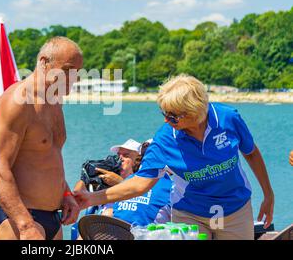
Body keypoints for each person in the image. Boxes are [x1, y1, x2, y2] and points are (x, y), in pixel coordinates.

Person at [75, 74, 275, 240]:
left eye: (172, 116)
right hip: (190, 212)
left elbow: (251, 153)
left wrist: (268, 195)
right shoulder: (165, 138)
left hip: (235, 209)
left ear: (194, 111)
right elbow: (139, 184)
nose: (166, 120)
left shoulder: (228, 118)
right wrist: (92, 199)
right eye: (164, 113)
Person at [0, 36, 83, 240]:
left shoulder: (54, 102)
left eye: (78, 72)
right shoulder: (17, 102)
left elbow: (46, 158)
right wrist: (25, 225)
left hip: (52, 218)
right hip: (18, 219)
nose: (75, 77)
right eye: (67, 70)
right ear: (44, 62)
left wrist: (65, 194)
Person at [74, 139, 172, 228]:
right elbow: (77, 191)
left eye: (126, 155)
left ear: (138, 159)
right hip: (112, 230)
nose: (120, 159)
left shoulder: (163, 184)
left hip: (139, 231)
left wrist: (120, 183)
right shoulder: (106, 180)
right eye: (118, 155)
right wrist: (85, 177)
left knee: (107, 214)